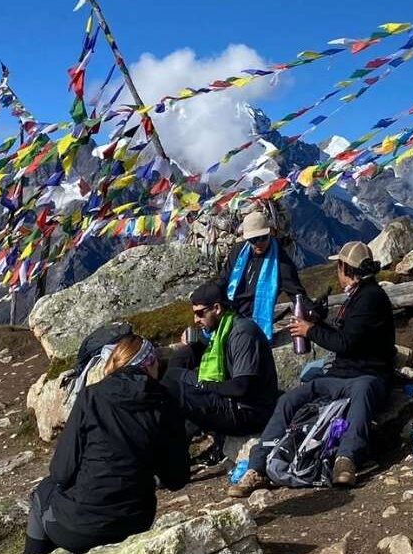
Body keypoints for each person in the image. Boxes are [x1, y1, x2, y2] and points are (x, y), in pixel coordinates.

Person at [230, 241, 395, 495]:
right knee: (289, 400)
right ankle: (258, 465)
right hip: (340, 374)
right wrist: (318, 323)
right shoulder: (358, 296)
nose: (336, 273)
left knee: (362, 397)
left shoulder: (370, 298)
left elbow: (346, 343)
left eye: (338, 267)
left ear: (345, 267)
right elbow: (346, 336)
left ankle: (346, 459)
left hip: (367, 374)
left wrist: (311, 330)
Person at [23, 334, 190, 554]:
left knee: (42, 494)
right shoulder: (166, 402)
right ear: (149, 363)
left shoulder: (92, 396)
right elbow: (177, 479)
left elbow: (61, 472)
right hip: (135, 522)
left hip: (80, 528)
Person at [162, 281, 279, 465]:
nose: (196, 320)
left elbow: (241, 387)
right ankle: (174, 457)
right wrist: (191, 348)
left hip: (249, 412)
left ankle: (172, 463)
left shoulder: (242, 333)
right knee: (175, 376)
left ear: (216, 308)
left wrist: (202, 385)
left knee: (177, 392)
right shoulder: (222, 328)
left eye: (200, 313)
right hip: (238, 406)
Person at [225, 209, 307, 338]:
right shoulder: (237, 251)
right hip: (230, 314)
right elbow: (223, 280)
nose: (258, 243)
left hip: (253, 323)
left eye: (262, 238)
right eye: (253, 240)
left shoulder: (280, 261)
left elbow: (296, 293)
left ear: (270, 234)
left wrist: (313, 311)